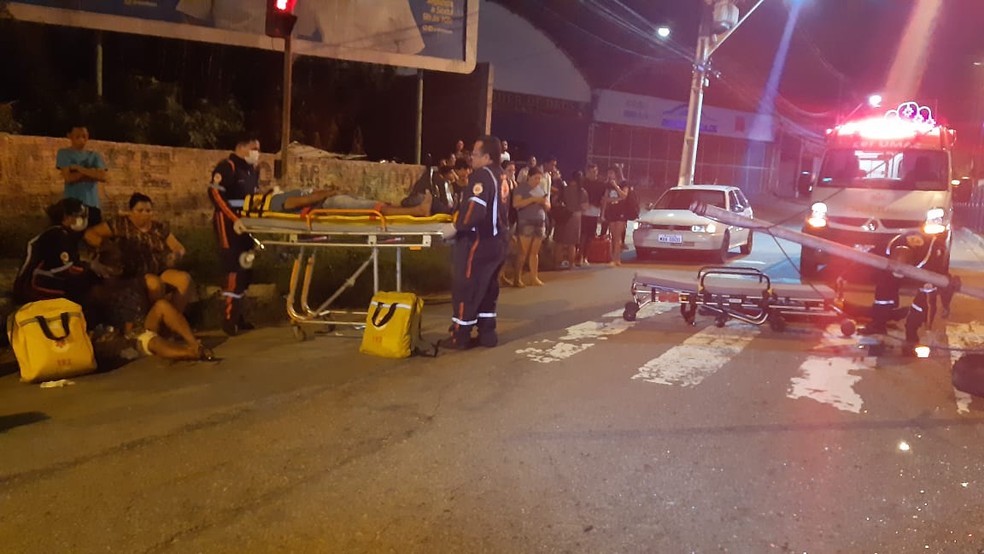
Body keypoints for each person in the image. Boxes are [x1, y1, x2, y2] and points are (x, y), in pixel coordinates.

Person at [83, 241, 214, 362]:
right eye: (111, 265)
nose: (116, 269)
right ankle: (191, 353)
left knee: (162, 306)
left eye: (117, 265)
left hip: (143, 324)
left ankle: (194, 344)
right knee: (151, 341)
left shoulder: (133, 281)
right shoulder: (97, 291)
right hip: (123, 334)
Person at [445, 135, 509, 350]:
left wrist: (455, 227)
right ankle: (487, 333)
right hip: (498, 242)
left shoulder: (481, 175)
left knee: (466, 285)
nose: (471, 158)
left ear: (487, 157)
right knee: (488, 287)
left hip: (478, 242)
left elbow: (475, 209)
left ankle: (460, 336)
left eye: (474, 154)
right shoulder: (502, 176)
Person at [84, 193, 193, 312]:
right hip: (133, 274)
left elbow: (178, 247)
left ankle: (173, 319)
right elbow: (91, 234)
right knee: (154, 284)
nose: (144, 214)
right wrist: (108, 247)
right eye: (140, 210)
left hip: (159, 269)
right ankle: (155, 319)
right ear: (131, 211)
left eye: (148, 210)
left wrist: (175, 255)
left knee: (183, 279)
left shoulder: (159, 228)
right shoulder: (120, 224)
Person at [208, 135, 261, 336]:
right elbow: (215, 194)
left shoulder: (251, 171)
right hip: (228, 224)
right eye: (253, 147)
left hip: (246, 225)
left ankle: (239, 316)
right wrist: (233, 218)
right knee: (234, 269)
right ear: (241, 147)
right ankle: (229, 319)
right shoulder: (227, 167)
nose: (257, 152)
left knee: (246, 269)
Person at [13, 198, 100, 305]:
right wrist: (92, 269)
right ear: (67, 217)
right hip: (33, 285)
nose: (82, 220)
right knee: (85, 292)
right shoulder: (58, 235)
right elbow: (66, 270)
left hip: (40, 280)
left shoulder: (63, 234)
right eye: (79, 216)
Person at [56, 125, 109, 227]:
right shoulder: (64, 153)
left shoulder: (94, 155)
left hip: (93, 205)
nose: (81, 139)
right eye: (78, 136)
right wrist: (91, 173)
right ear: (69, 136)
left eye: (84, 136)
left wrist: (78, 168)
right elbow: (69, 178)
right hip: (72, 206)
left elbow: (103, 176)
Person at [260, 187, 433, 216]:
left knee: (377, 204)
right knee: (373, 208)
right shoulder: (275, 200)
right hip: (327, 206)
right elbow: (296, 202)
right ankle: (417, 210)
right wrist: (329, 193)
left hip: (328, 201)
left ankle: (416, 208)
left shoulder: (277, 196)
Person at [512, 167, 550, 287]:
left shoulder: (541, 189)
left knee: (535, 252)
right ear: (529, 176)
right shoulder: (522, 188)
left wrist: (544, 203)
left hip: (540, 220)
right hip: (526, 221)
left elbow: (548, 206)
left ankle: (534, 277)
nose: (537, 180)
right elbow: (516, 204)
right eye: (535, 178)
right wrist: (533, 199)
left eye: (539, 178)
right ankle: (517, 278)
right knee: (523, 252)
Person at [552, 170, 587, 270]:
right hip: (575, 217)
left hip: (563, 216)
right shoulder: (582, 191)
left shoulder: (564, 189)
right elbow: (585, 206)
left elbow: (555, 201)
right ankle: (571, 264)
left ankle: (556, 263)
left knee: (559, 241)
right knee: (572, 243)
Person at [578, 163, 606, 266]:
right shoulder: (583, 182)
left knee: (590, 236)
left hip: (594, 212)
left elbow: (603, 200)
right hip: (583, 212)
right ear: (587, 172)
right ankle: (580, 256)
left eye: (595, 171)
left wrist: (602, 214)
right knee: (583, 235)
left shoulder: (601, 184)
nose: (594, 174)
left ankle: (585, 257)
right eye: (591, 172)